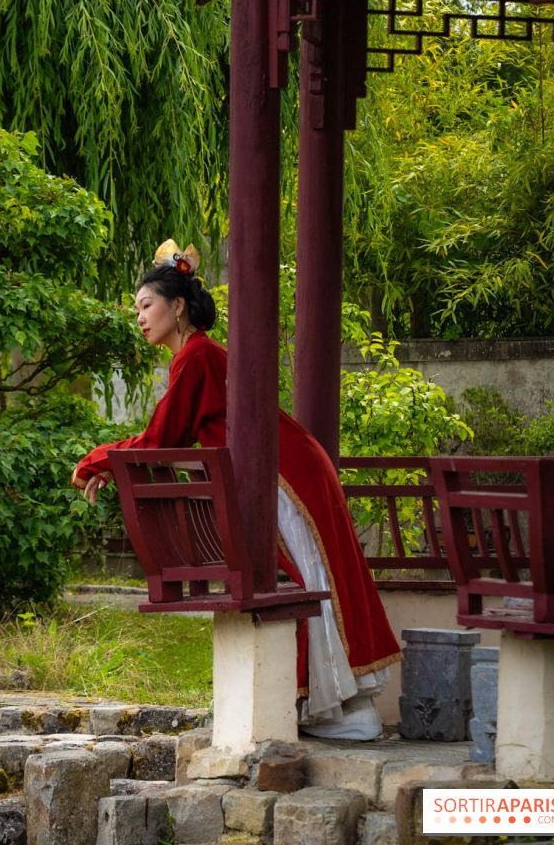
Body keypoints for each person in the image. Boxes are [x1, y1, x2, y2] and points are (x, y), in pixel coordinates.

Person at [72, 240, 402, 740]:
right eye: (136, 309)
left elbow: (162, 438)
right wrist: (110, 462)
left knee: (308, 573)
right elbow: (169, 436)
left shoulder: (197, 356)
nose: (139, 317)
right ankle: (334, 705)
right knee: (313, 571)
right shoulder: (195, 356)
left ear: (177, 306)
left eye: (146, 306)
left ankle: (333, 706)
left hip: (282, 472)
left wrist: (97, 459)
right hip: (287, 464)